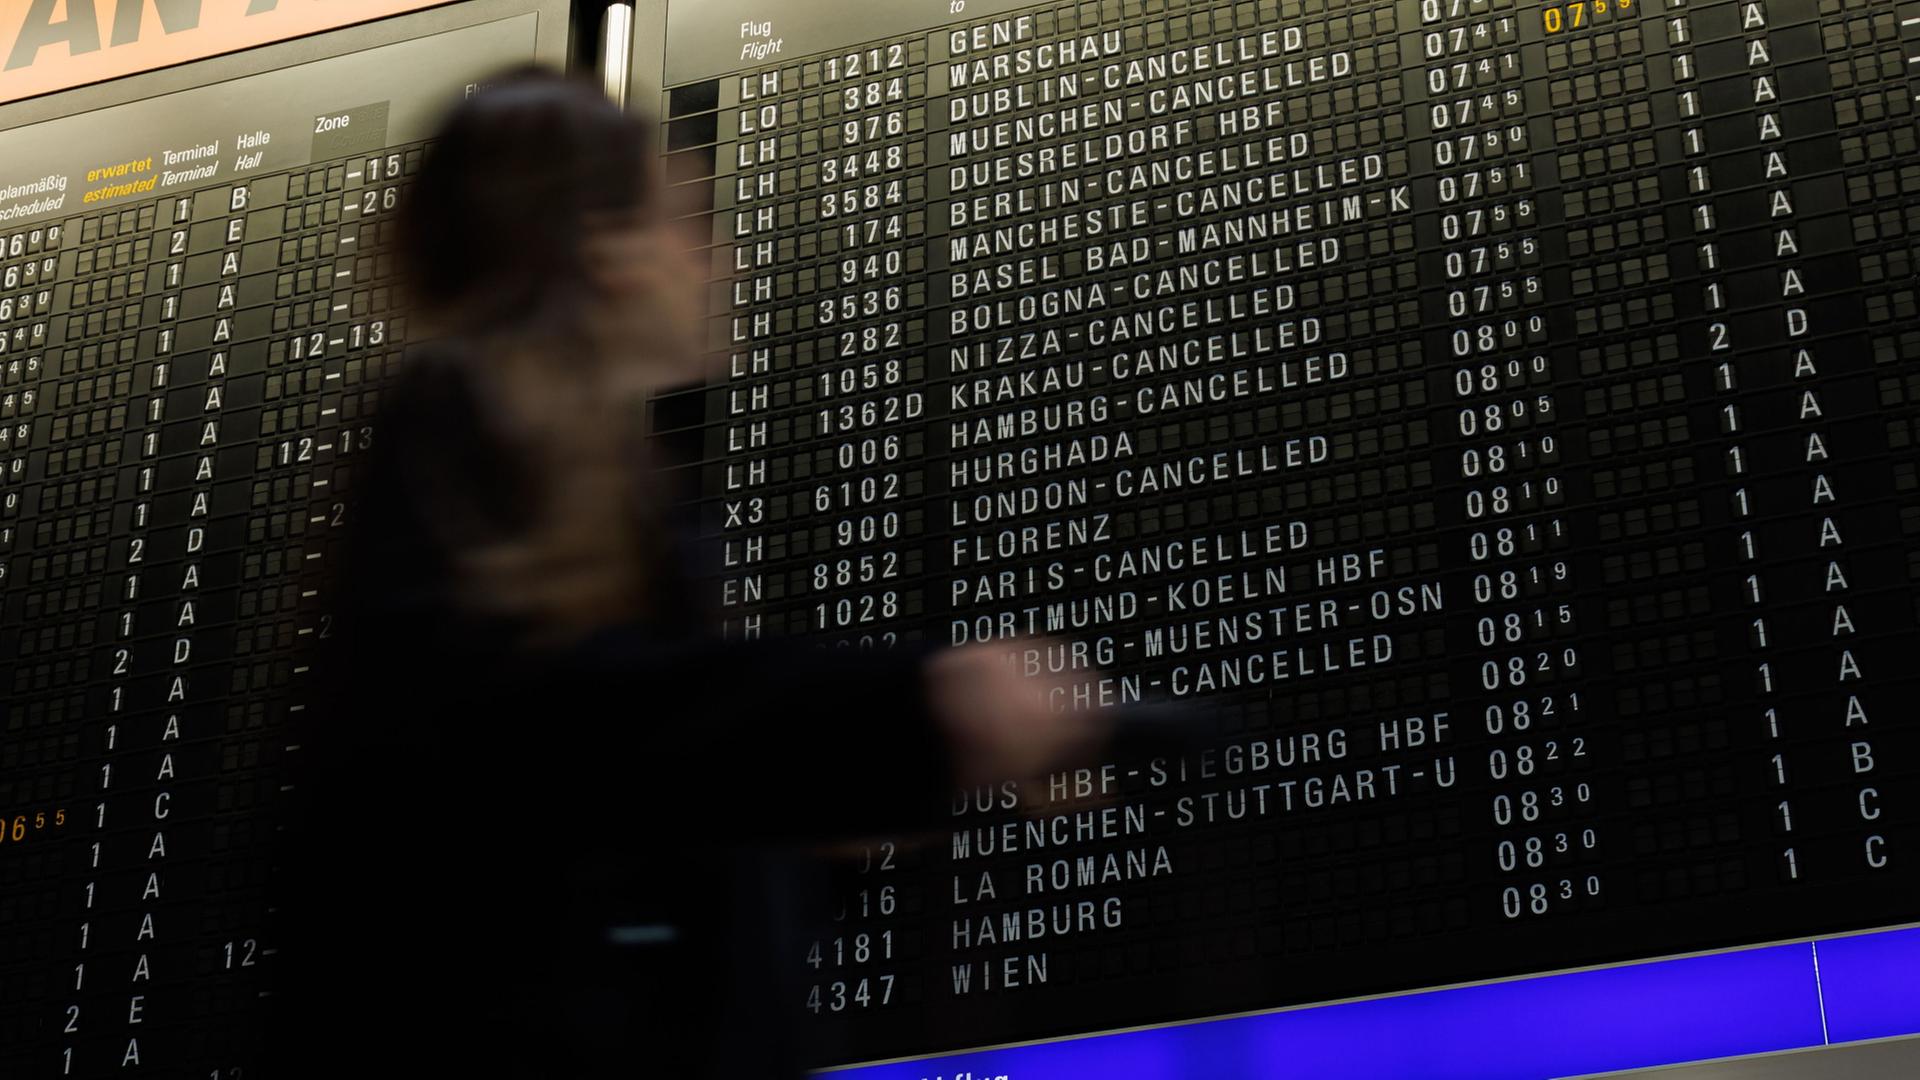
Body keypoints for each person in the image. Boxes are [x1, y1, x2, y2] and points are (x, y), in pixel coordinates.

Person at [264, 68, 1102, 1079]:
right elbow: (546, 737)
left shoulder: (625, 504)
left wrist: (827, 829)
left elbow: (634, 832)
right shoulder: (448, 421)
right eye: (688, 221)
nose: (721, 259)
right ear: (599, 249)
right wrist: (914, 704)